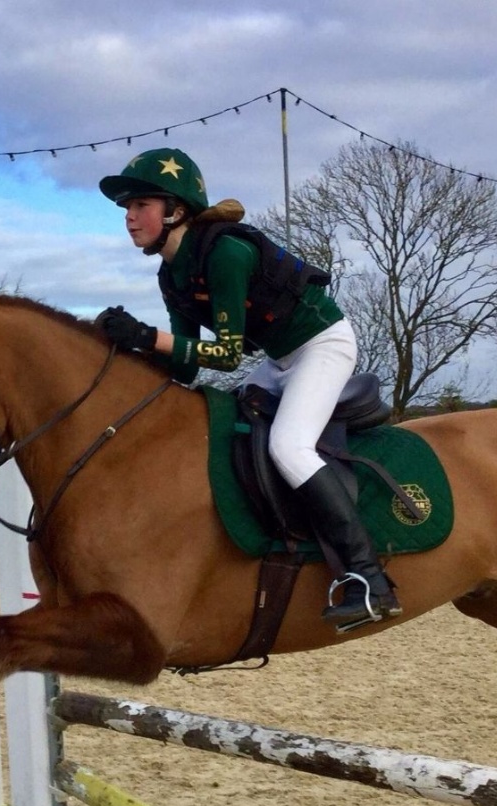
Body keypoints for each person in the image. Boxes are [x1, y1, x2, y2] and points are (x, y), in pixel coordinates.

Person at [95, 147, 400, 629]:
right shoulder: (172, 272)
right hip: (280, 360)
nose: (129, 217)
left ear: (175, 211)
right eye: (127, 208)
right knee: (227, 428)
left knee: (289, 446)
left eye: (140, 205)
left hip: (323, 345)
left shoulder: (226, 254)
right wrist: (128, 352)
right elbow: (186, 369)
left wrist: (148, 336)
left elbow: (227, 355)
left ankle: (371, 581)